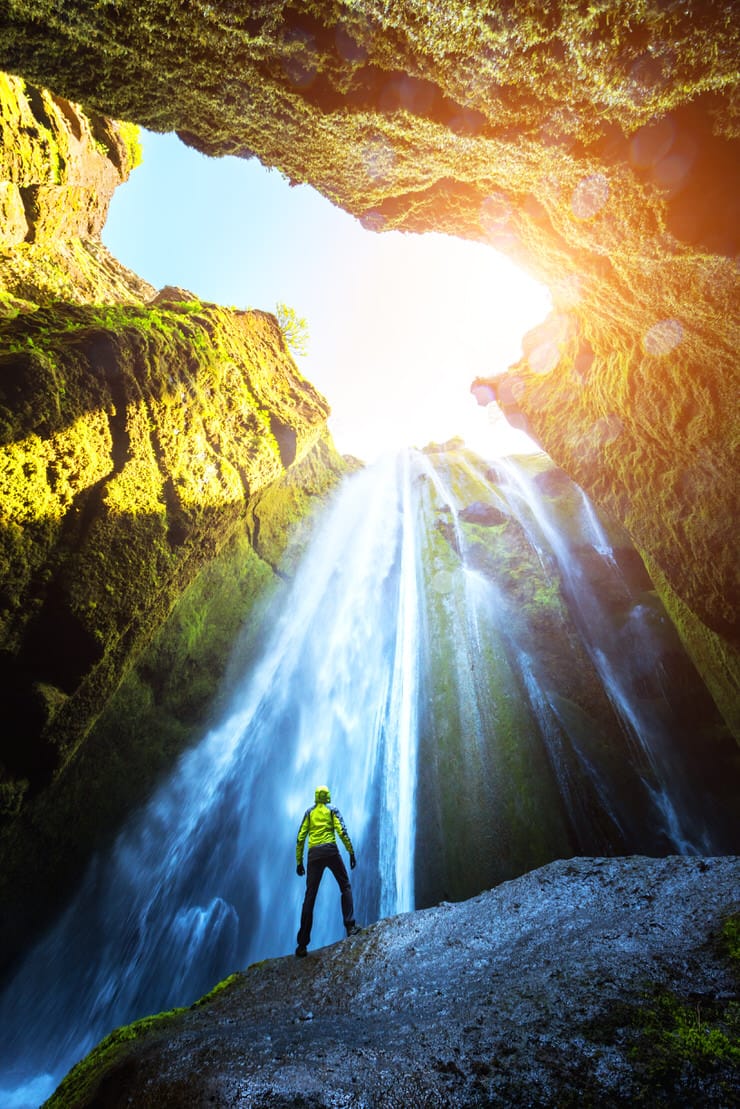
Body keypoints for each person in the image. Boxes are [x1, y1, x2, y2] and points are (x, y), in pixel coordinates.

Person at [295, 784, 360, 957]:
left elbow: (301, 837)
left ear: (316, 797)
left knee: (310, 896)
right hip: (331, 851)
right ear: (328, 796)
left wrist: (299, 862)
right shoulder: (333, 810)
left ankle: (302, 944)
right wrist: (351, 852)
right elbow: (342, 831)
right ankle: (350, 926)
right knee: (345, 885)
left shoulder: (309, 813)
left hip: (314, 854)